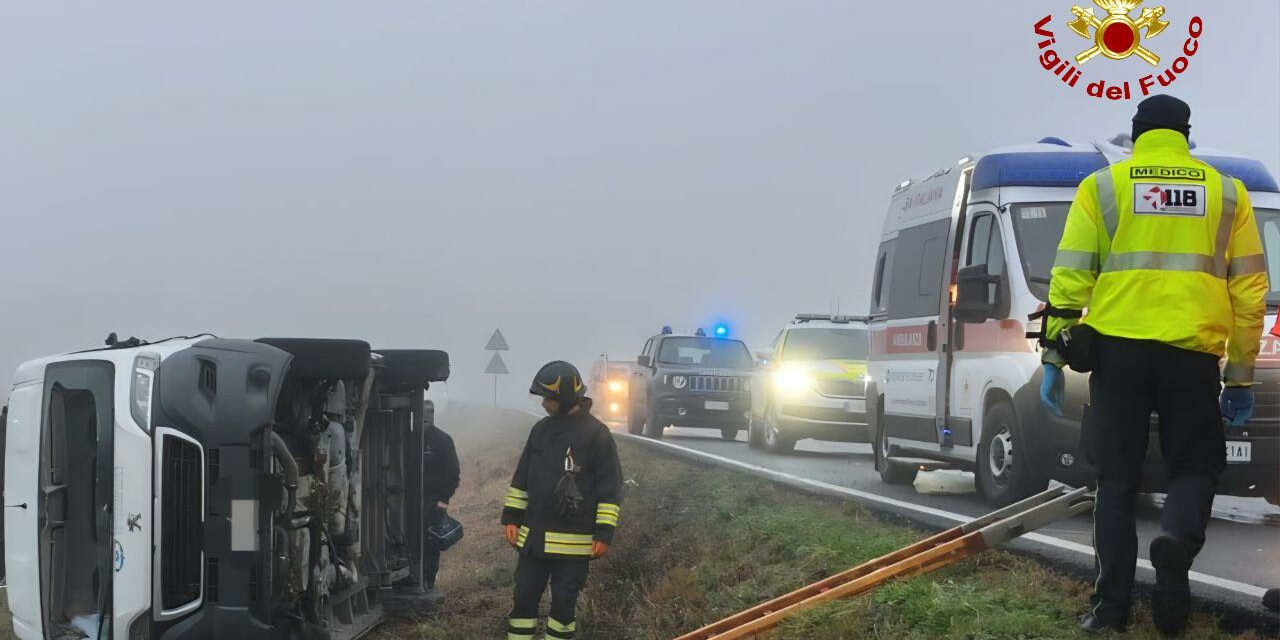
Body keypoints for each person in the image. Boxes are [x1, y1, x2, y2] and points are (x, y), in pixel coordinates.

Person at [1039, 94, 1268, 635]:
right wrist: (1239, 375)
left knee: (1114, 483)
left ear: (1136, 133)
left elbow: (1069, 275)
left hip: (1117, 356)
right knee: (1195, 467)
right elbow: (1250, 292)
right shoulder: (1227, 194)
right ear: (1186, 135)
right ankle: (1175, 552)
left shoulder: (1103, 187)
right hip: (1192, 358)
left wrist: (1052, 354)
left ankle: (1110, 614)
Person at [502, 361, 623, 640]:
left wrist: (604, 534)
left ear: (567, 397)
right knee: (523, 600)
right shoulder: (540, 430)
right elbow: (521, 480)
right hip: (533, 542)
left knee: (563, 609)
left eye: (549, 397)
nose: (544, 403)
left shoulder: (597, 435)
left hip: (574, 546)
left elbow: (610, 490)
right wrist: (511, 517)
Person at [421, 399, 459, 602]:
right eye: (423, 414)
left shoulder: (443, 441)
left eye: (429, 414)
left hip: (433, 501)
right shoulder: (410, 438)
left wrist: (443, 500)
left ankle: (427, 581)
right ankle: (414, 578)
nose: (426, 418)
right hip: (408, 500)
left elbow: (453, 473)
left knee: (430, 542)